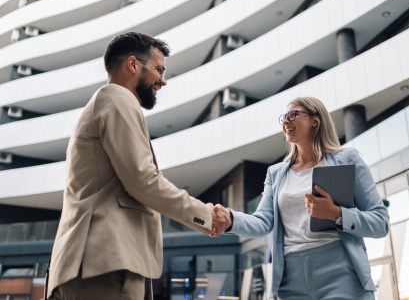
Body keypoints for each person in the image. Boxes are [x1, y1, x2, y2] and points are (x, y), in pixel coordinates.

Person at [47, 32, 230, 300]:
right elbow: (143, 180)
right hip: (105, 265)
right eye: (159, 69)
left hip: (96, 264)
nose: (163, 80)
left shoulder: (104, 103)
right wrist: (205, 214)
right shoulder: (117, 98)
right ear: (133, 64)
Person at [211, 97, 389, 300]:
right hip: (290, 277)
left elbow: (380, 222)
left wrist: (337, 214)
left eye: (293, 114)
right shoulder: (275, 173)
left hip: (340, 271)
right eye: (283, 118)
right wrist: (230, 219)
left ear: (316, 120)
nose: (285, 121)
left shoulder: (347, 159)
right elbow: (262, 222)